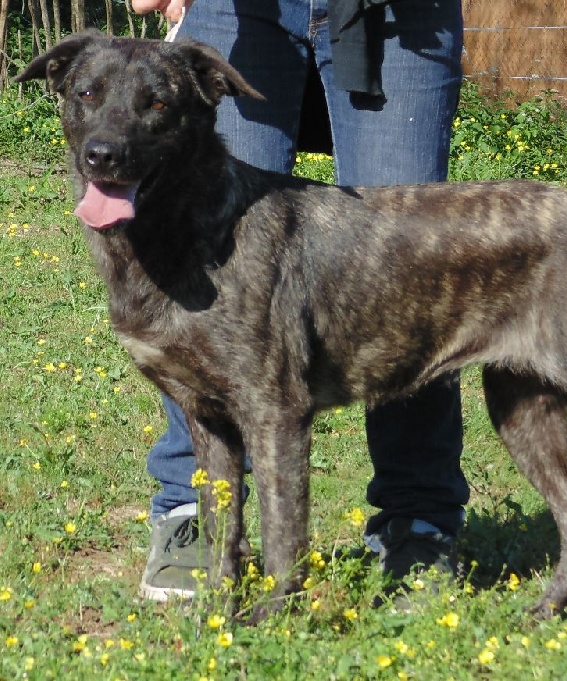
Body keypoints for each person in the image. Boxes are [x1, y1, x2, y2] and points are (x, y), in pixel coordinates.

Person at [131, 0, 469, 602]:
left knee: (408, 279)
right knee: (200, 262)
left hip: (400, 18)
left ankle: (417, 521)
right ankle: (192, 512)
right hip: (238, 11)